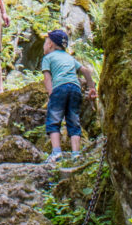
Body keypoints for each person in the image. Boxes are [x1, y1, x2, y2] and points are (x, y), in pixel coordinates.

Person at [41, 28, 96, 162]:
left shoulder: (47, 58)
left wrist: (51, 95)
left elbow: (47, 78)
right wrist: (91, 88)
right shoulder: (70, 57)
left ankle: (56, 153)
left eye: (45, 42)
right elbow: (86, 71)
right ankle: (76, 154)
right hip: (75, 88)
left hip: (59, 88)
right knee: (73, 120)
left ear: (50, 44)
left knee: (54, 120)